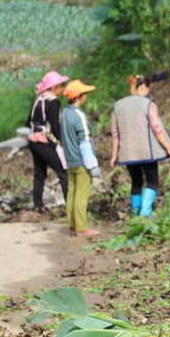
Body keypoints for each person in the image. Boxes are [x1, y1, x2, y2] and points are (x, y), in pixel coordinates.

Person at [110, 74, 170, 219]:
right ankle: (145, 213)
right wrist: (169, 148)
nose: (148, 92)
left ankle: (135, 213)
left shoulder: (118, 106)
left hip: (128, 153)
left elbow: (115, 133)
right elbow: (157, 128)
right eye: (147, 88)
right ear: (142, 87)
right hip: (147, 152)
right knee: (152, 181)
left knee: (136, 182)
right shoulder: (147, 104)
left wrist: (114, 155)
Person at [60, 80, 100, 236]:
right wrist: (92, 165)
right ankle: (82, 227)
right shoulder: (78, 116)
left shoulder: (65, 113)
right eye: (85, 94)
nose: (86, 97)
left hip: (70, 161)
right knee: (81, 195)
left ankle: (72, 225)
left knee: (72, 192)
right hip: (82, 161)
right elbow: (84, 141)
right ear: (78, 97)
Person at [27, 71, 70, 211]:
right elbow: (55, 124)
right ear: (54, 87)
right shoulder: (53, 101)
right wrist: (62, 141)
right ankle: (70, 204)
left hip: (33, 139)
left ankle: (37, 204)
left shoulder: (39, 100)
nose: (62, 88)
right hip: (44, 140)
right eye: (61, 86)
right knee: (63, 171)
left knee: (39, 172)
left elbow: (28, 121)